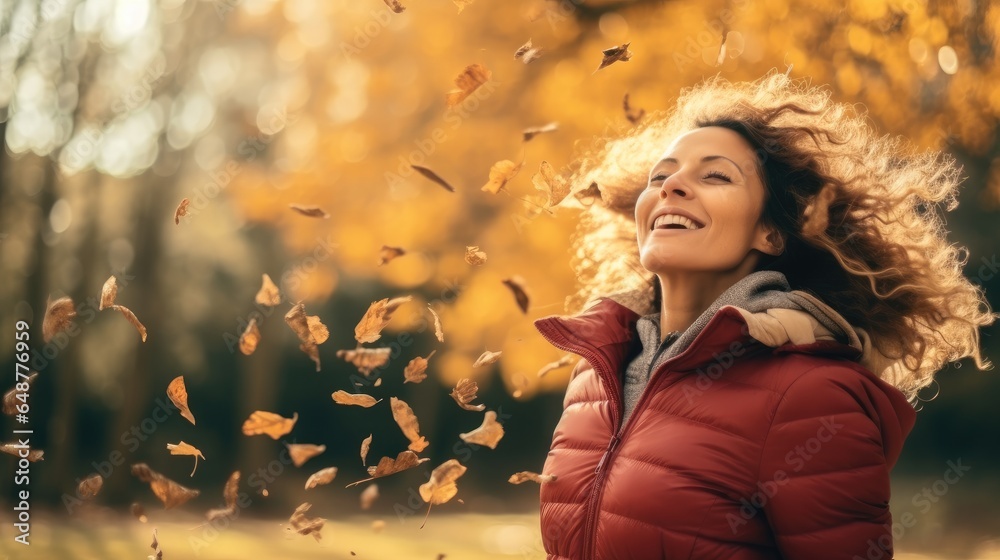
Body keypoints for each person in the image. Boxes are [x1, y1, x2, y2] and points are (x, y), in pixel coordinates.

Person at [532, 72, 995, 560]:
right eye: (660, 176)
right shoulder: (596, 373)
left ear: (771, 234)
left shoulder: (811, 397)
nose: (672, 187)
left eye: (715, 175)